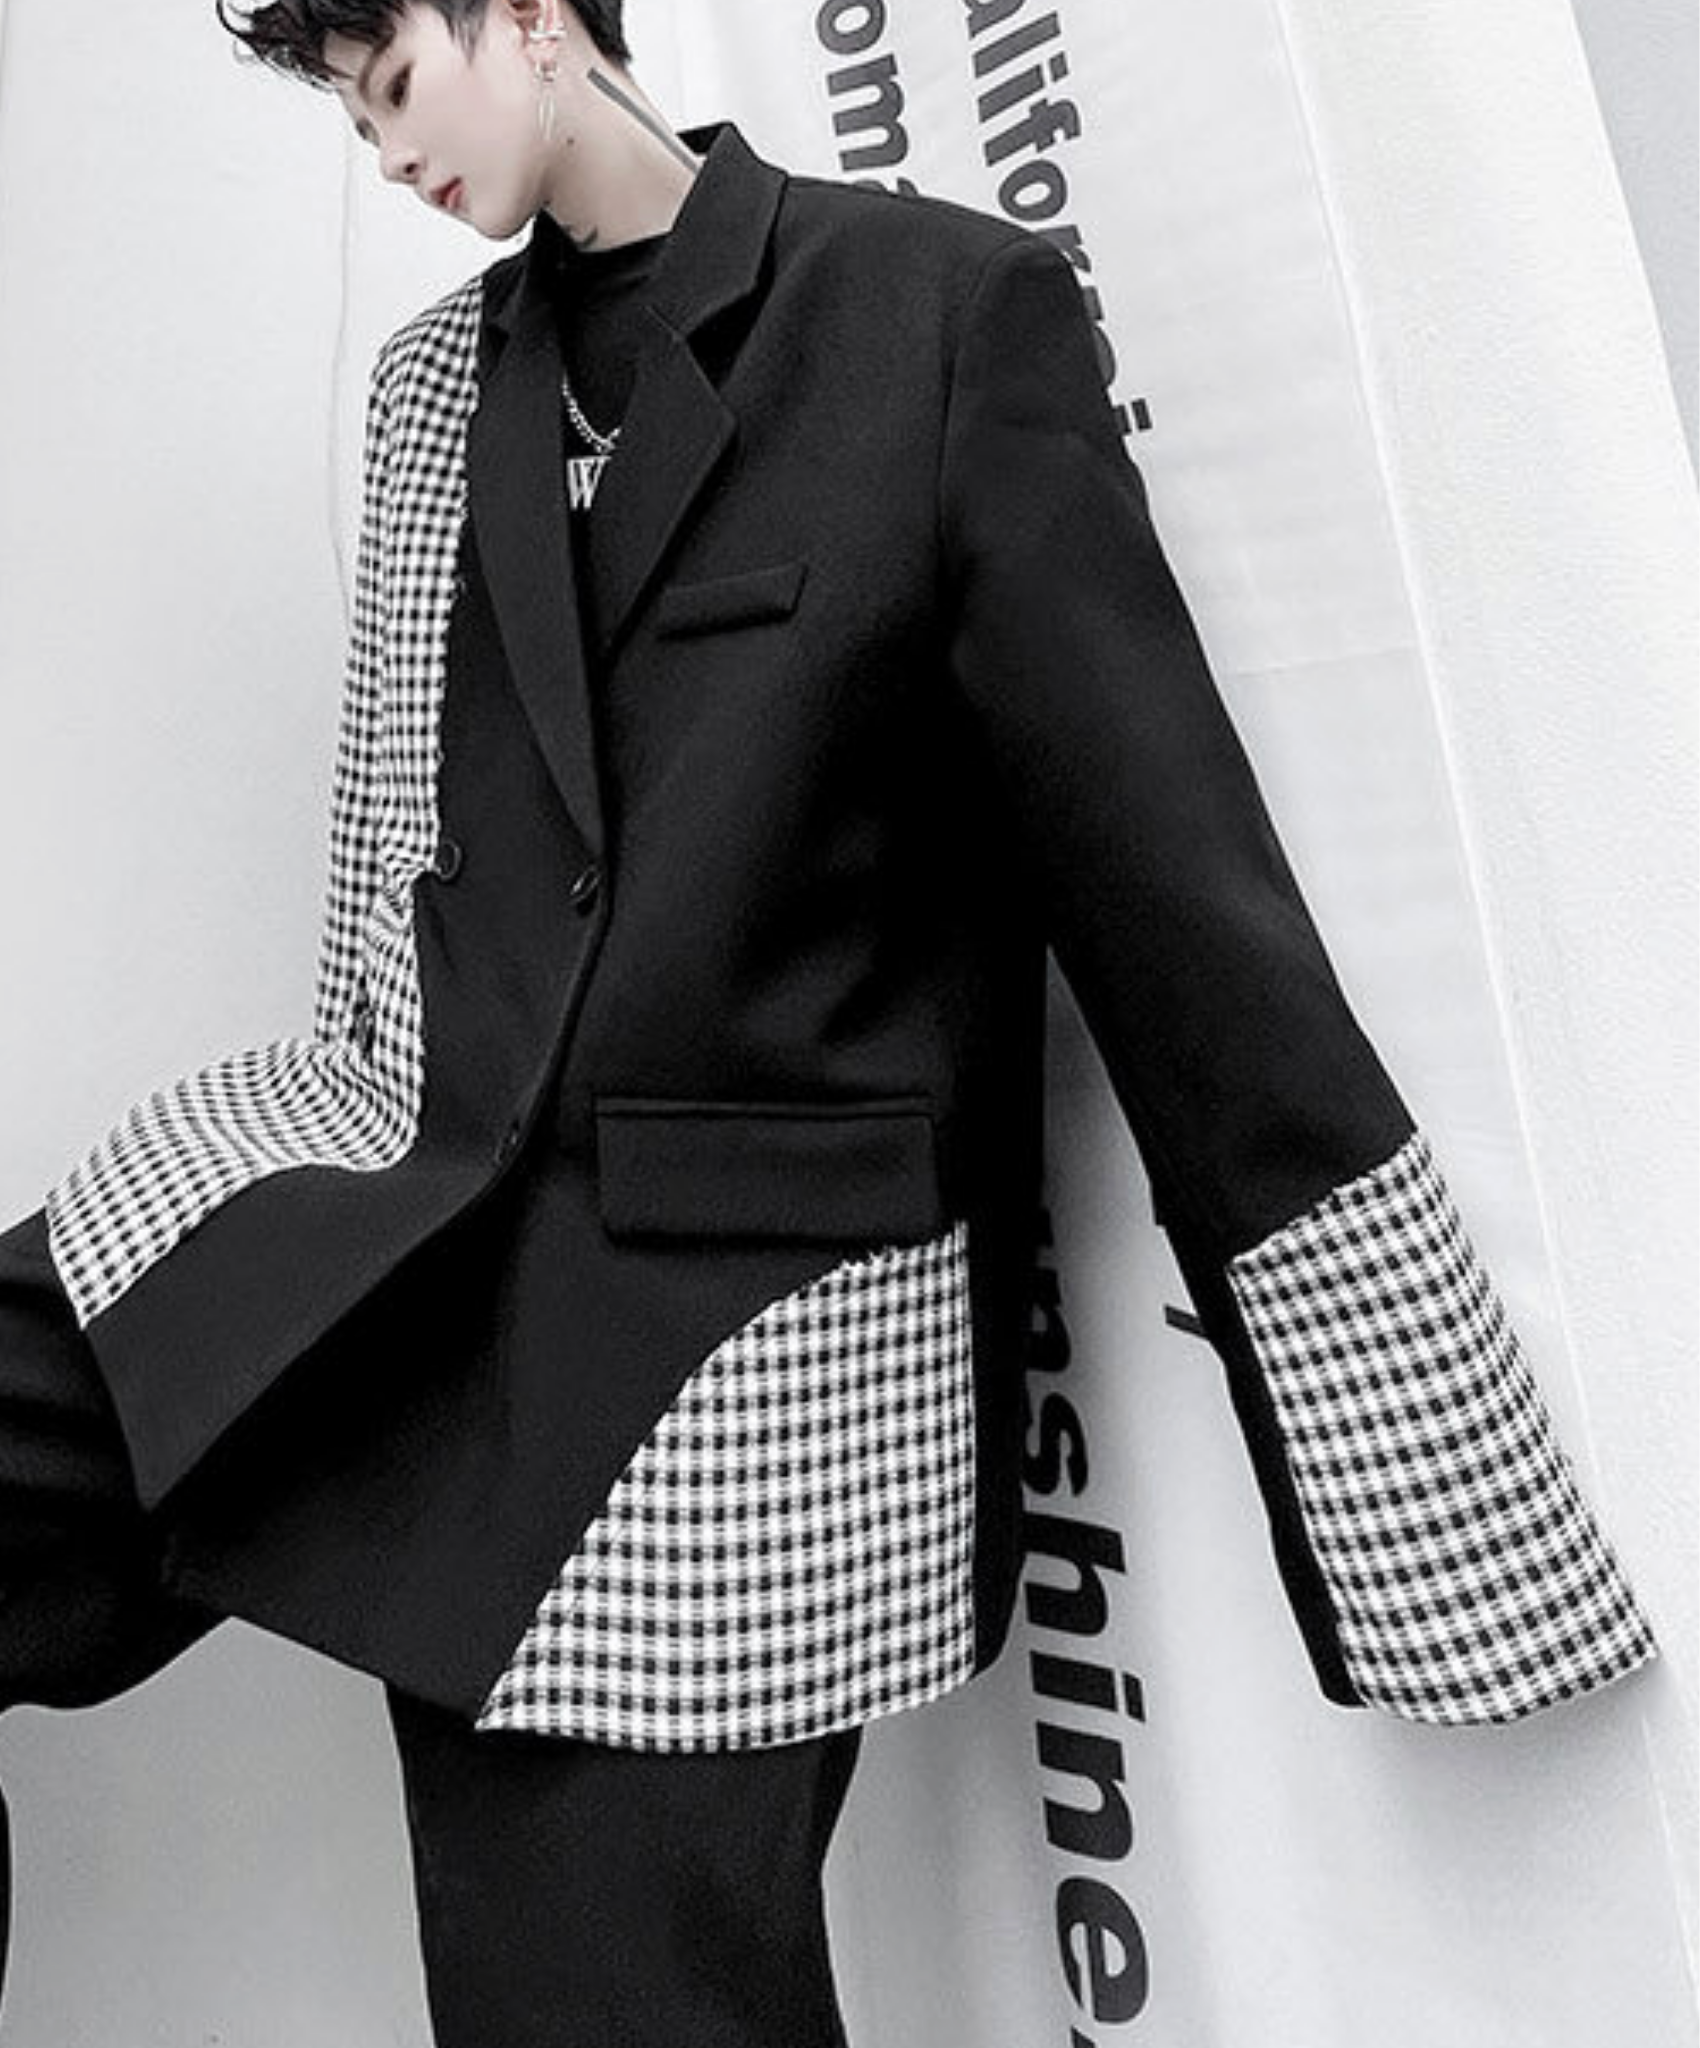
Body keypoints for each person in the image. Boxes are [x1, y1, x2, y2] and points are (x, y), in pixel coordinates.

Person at [0, 0, 1660, 2041]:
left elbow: (1182, 914)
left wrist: (1443, 1495)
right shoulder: (432, 385)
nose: (383, 150)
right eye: (346, 115)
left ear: (533, 20)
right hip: (400, 1224)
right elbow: (386, 894)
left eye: (395, 82)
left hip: (723, 1348)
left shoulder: (931, 320)